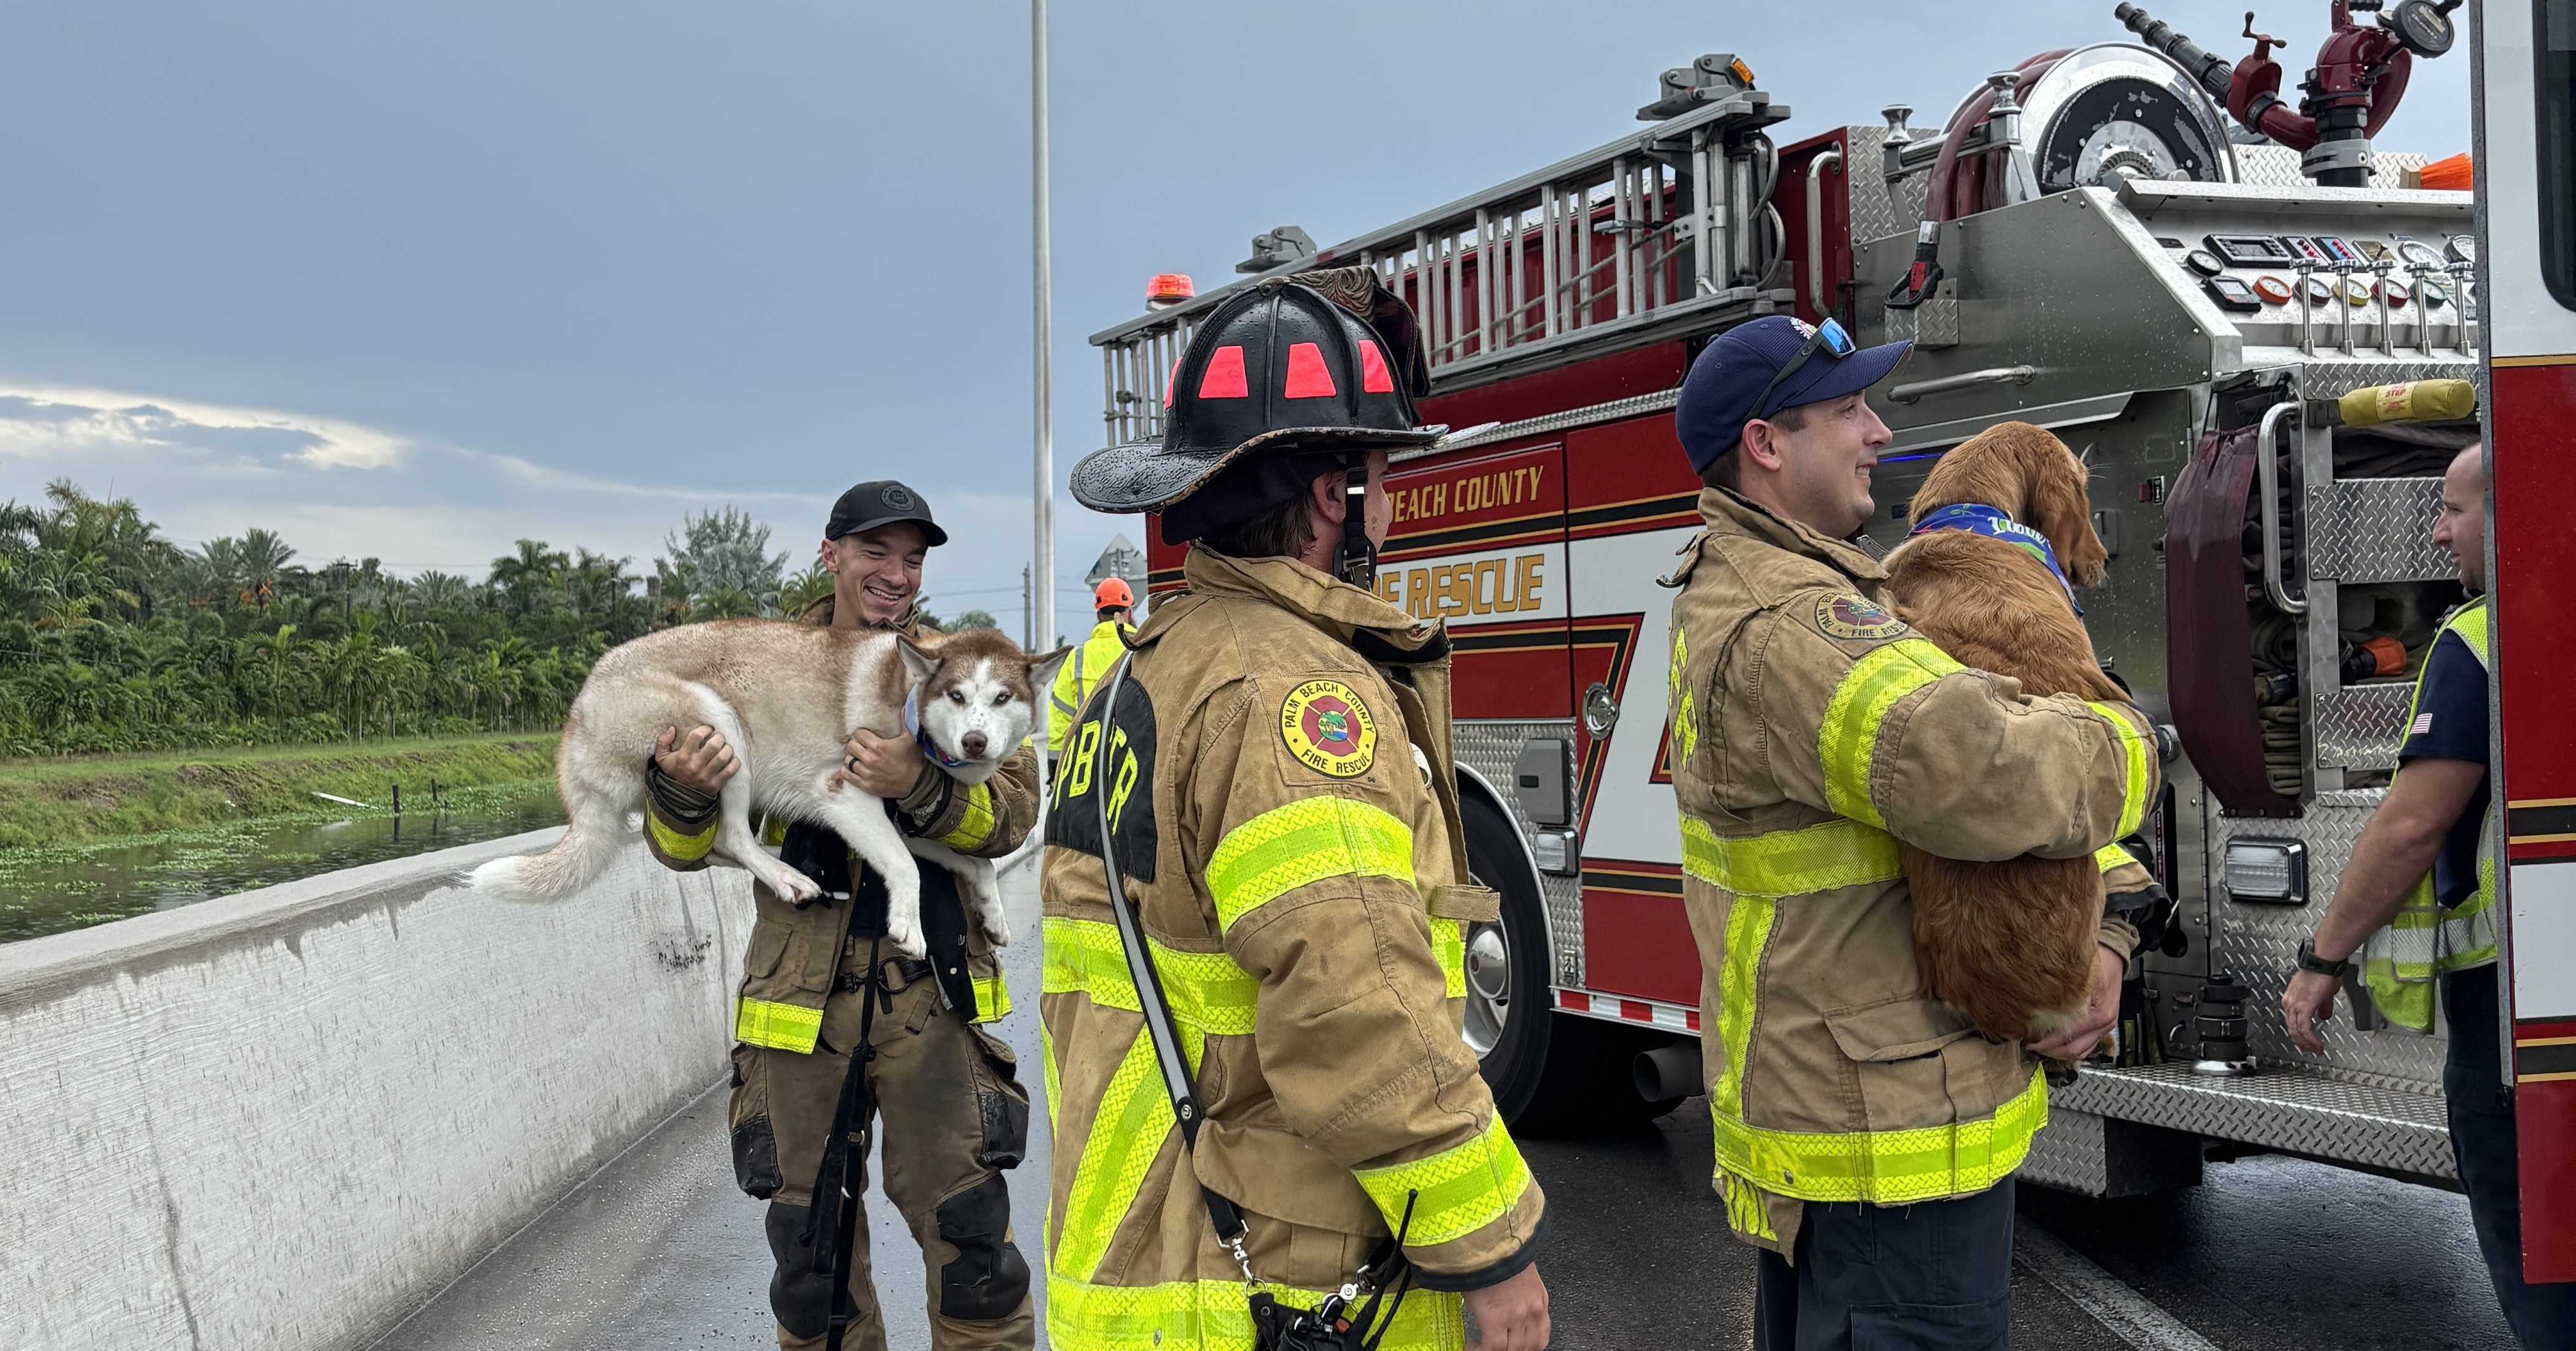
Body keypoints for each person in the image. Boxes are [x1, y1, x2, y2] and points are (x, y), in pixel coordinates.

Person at [1042, 269, 1551, 1350]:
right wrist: (1490, 1246)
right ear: (1334, 497)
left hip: (1137, 1266)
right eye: (1376, 470)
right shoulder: (1289, 698)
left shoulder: (1147, 669)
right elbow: (1354, 999)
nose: (1390, 495)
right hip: (1256, 1287)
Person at [1665, 316, 2160, 1350]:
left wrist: (2103, 921)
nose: (1878, 432)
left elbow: (1939, 784)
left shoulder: (1801, 588)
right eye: (1848, 409)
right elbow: (1980, 769)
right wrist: (2134, 741)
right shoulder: (1793, 628)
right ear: (1766, 443)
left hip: (1864, 1121)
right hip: (1882, 1156)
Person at [643, 479, 1039, 1351]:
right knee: (810, 1262)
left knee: (974, 1250)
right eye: (874, 553)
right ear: (831, 555)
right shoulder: (757, 671)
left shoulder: (953, 669)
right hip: (798, 1006)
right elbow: (679, 847)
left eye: (912, 557)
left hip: (929, 996)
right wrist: (681, 786)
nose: (895, 574)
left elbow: (1012, 810)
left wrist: (921, 782)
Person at [2282, 445, 2573, 1347]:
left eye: (2452, 509)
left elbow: (2410, 825)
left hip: (2514, 1003)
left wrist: (2317, 958)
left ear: (2512, 511)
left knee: (2539, 1244)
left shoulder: (2482, 635)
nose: (2439, 531)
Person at [1046, 576, 1137, 769]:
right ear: (1128, 613)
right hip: (1134, 759)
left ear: (1098, 615)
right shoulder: (1143, 651)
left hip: (1086, 761)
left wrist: (1055, 762)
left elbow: (1060, 714)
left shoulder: (1077, 658)